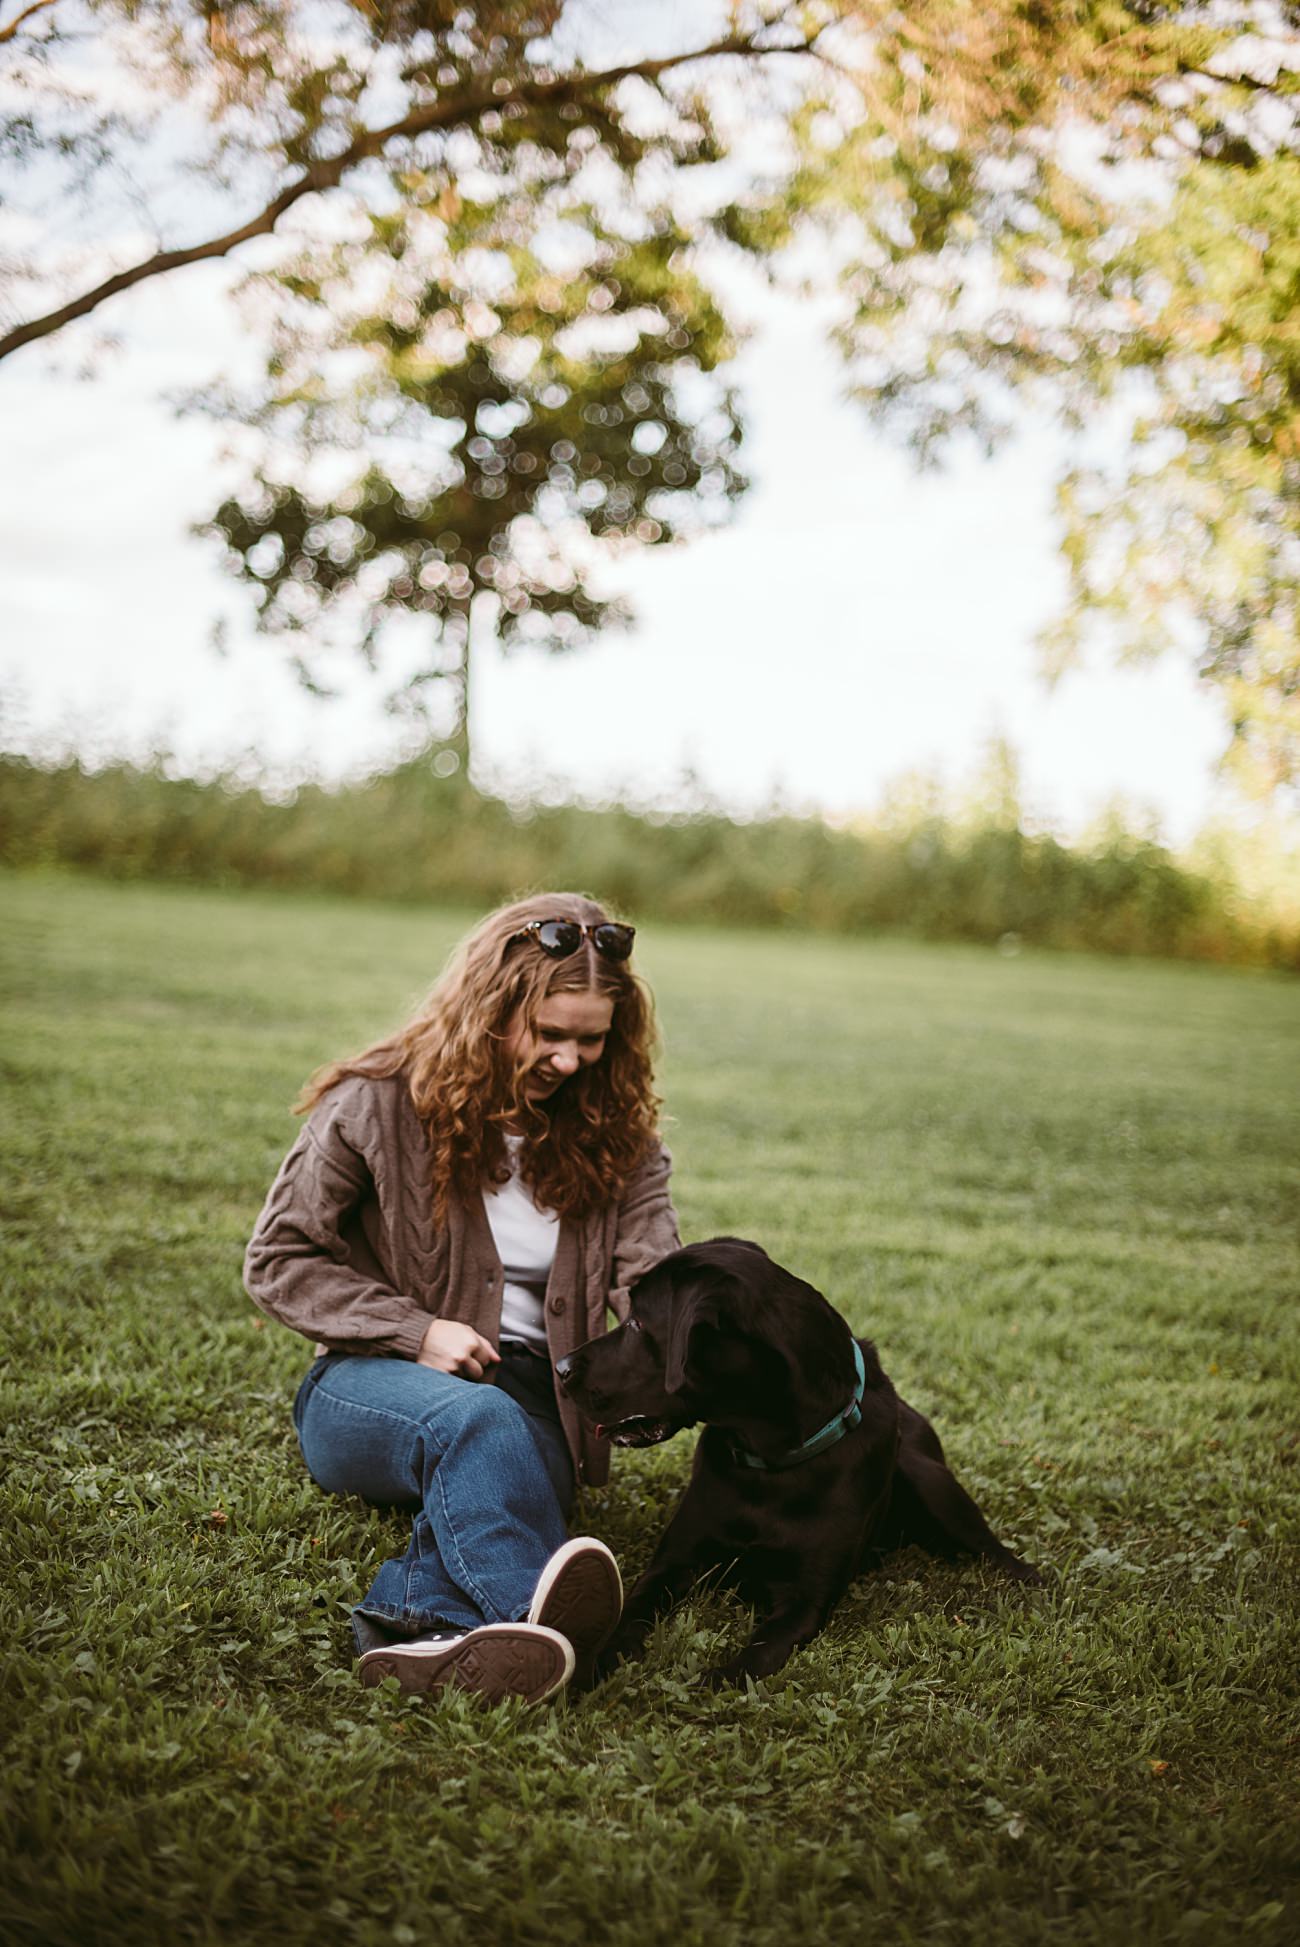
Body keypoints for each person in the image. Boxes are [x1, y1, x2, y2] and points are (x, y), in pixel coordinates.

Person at [244, 892, 680, 1705]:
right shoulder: (374, 1100)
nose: (571, 1060)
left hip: (535, 1390)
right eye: (550, 1033)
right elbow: (279, 1256)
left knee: (518, 1455)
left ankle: (423, 1632)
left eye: (592, 1039)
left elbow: (652, 1279)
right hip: (368, 1383)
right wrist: (415, 1331)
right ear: (491, 1009)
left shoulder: (621, 1138)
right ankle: (539, 1621)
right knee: (481, 1422)